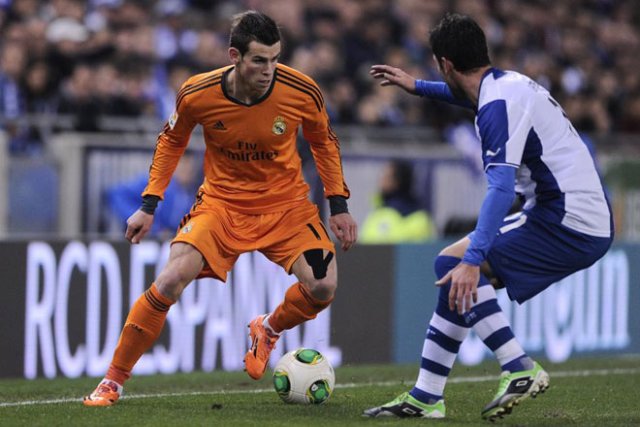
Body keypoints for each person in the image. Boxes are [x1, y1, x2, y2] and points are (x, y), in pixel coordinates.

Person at [83, 10, 357, 407]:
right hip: (222, 205)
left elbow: (325, 143)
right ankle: (112, 380)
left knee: (323, 286)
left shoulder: (301, 90)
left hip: (286, 207)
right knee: (171, 278)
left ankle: (269, 327)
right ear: (235, 56)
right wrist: (149, 204)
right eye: (259, 60)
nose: (269, 70)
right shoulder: (198, 92)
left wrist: (339, 205)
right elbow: (171, 141)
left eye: (275, 59)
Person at [364, 13, 613, 421]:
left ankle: (518, 367)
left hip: (568, 219)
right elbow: (470, 96)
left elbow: (499, 189)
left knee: (456, 264)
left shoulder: (496, 106)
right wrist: (419, 87)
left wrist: (474, 257)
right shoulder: (506, 84)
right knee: (453, 276)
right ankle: (426, 396)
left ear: (445, 63)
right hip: (574, 212)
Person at [360, 159, 436, 243]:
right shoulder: (378, 212)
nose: (381, 180)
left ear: (398, 182)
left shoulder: (420, 219)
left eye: (386, 176)